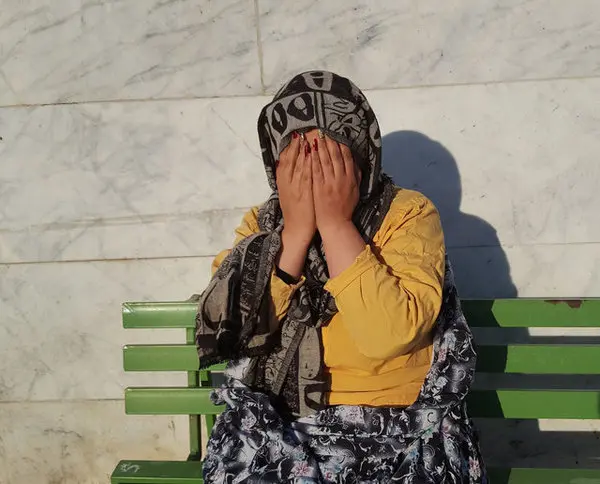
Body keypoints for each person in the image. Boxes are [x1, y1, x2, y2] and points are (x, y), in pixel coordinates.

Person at [194, 71, 486, 483]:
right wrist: (295, 234)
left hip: (395, 427)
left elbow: (390, 335)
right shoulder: (260, 226)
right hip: (280, 423)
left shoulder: (407, 214)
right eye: (297, 150)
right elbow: (233, 330)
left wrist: (336, 225)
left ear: (360, 152)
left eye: (329, 149)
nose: (313, 164)